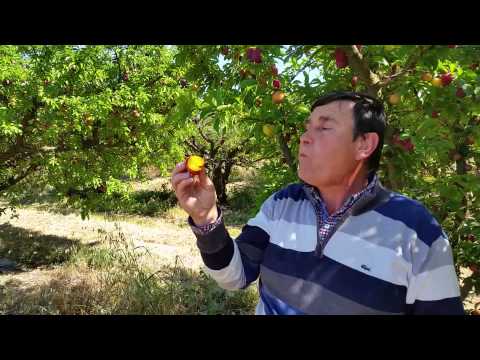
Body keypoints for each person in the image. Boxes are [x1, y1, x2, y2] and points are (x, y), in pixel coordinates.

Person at [170, 91, 465, 315]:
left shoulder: (417, 232)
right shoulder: (282, 204)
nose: (304, 138)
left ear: (364, 144)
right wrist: (206, 216)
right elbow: (233, 277)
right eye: (307, 127)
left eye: (323, 128)